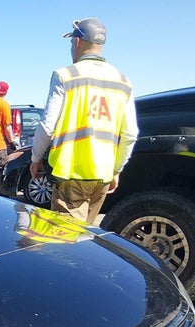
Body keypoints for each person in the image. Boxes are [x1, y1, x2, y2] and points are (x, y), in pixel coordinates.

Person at [29, 17, 138, 224]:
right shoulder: (123, 81)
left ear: (77, 42)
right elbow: (130, 133)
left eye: (71, 43)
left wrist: (35, 159)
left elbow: (47, 125)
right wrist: (116, 169)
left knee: (65, 238)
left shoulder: (65, 75)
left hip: (70, 173)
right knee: (85, 235)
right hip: (102, 175)